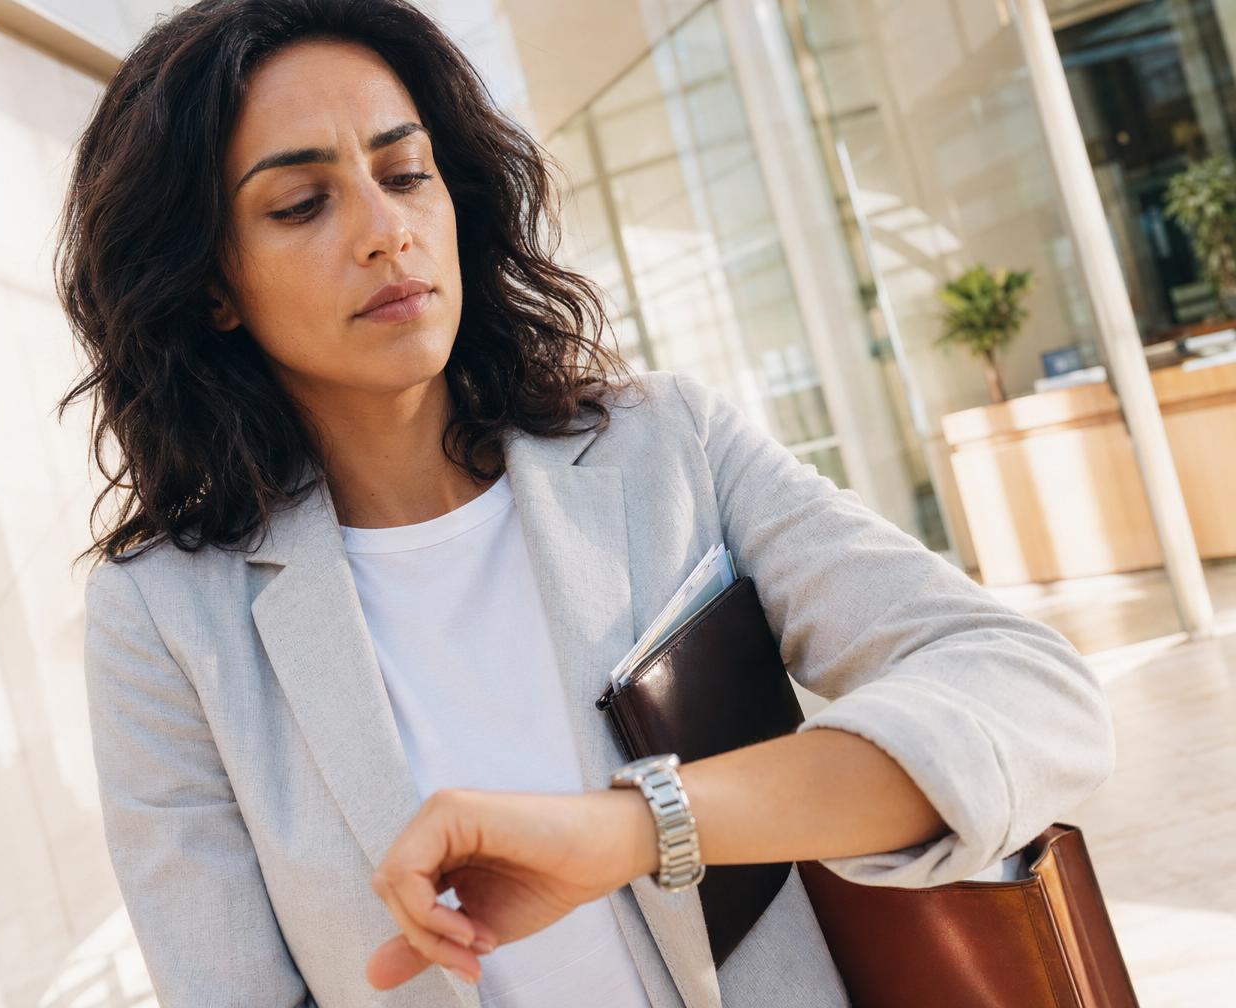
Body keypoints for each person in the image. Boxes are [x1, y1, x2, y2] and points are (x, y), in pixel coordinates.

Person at [57, 1, 1117, 1005]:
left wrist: (636, 827)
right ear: (212, 287)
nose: (386, 231)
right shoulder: (163, 619)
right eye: (301, 204)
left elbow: (1034, 697)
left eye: (406, 173)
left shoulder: (664, 448)